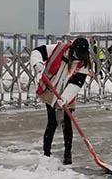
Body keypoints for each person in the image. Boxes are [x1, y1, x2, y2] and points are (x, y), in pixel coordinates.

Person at [30, 37, 91, 165]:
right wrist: (37, 63)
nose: (79, 58)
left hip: (68, 93)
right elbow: (37, 51)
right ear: (72, 48)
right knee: (52, 122)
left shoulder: (84, 62)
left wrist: (65, 98)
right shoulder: (58, 49)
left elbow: (77, 83)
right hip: (50, 90)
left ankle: (67, 154)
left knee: (67, 124)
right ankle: (46, 154)